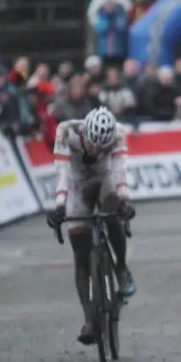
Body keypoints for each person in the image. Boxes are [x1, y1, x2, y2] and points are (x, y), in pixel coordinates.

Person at [46, 106, 137, 345]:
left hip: (104, 178)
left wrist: (124, 201)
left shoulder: (117, 134)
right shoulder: (66, 133)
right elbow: (62, 173)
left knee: (113, 210)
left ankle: (121, 268)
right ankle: (89, 319)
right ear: (85, 134)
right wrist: (59, 206)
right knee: (80, 252)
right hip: (77, 183)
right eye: (92, 144)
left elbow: (119, 172)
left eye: (102, 146)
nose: (96, 150)